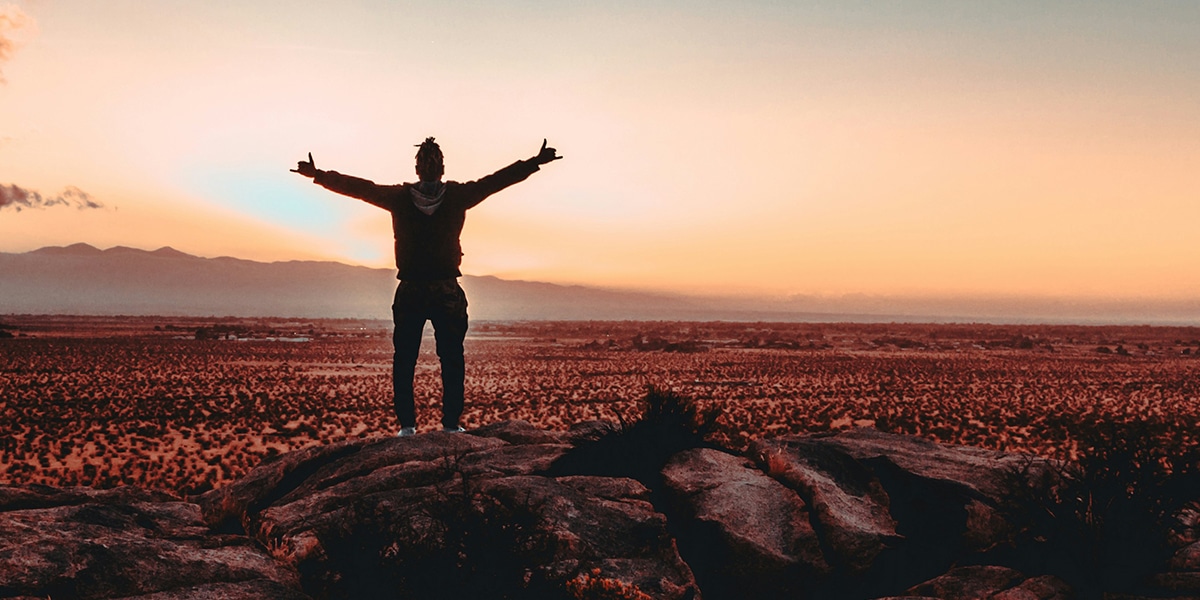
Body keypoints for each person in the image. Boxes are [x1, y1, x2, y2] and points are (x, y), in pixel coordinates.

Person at [292, 137, 562, 436]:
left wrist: (318, 176)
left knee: (405, 359)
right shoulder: (458, 195)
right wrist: (534, 162)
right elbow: (495, 181)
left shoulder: (399, 197)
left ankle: (407, 426)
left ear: (417, 168)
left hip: (411, 289)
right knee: (452, 358)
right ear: (442, 168)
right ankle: (451, 425)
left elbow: (361, 188)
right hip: (446, 289)